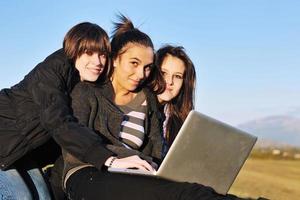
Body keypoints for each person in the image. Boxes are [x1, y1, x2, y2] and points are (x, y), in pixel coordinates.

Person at [62, 14, 239, 200]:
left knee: (196, 190)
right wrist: (126, 159)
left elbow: (155, 151)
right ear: (114, 59)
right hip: (87, 173)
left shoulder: (147, 100)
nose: (141, 74)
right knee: (185, 194)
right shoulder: (86, 92)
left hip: (133, 176)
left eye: (147, 67)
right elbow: (75, 145)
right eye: (134, 63)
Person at [0, 22, 111, 199]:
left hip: (20, 153)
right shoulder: (52, 70)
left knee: (44, 197)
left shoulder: (81, 82)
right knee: (20, 196)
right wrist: (104, 157)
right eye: (89, 53)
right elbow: (58, 121)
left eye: (103, 55)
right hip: (4, 142)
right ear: (74, 49)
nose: (97, 62)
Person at [155, 45, 196, 151]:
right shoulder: (137, 109)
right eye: (164, 73)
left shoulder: (174, 121)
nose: (170, 81)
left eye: (177, 76)